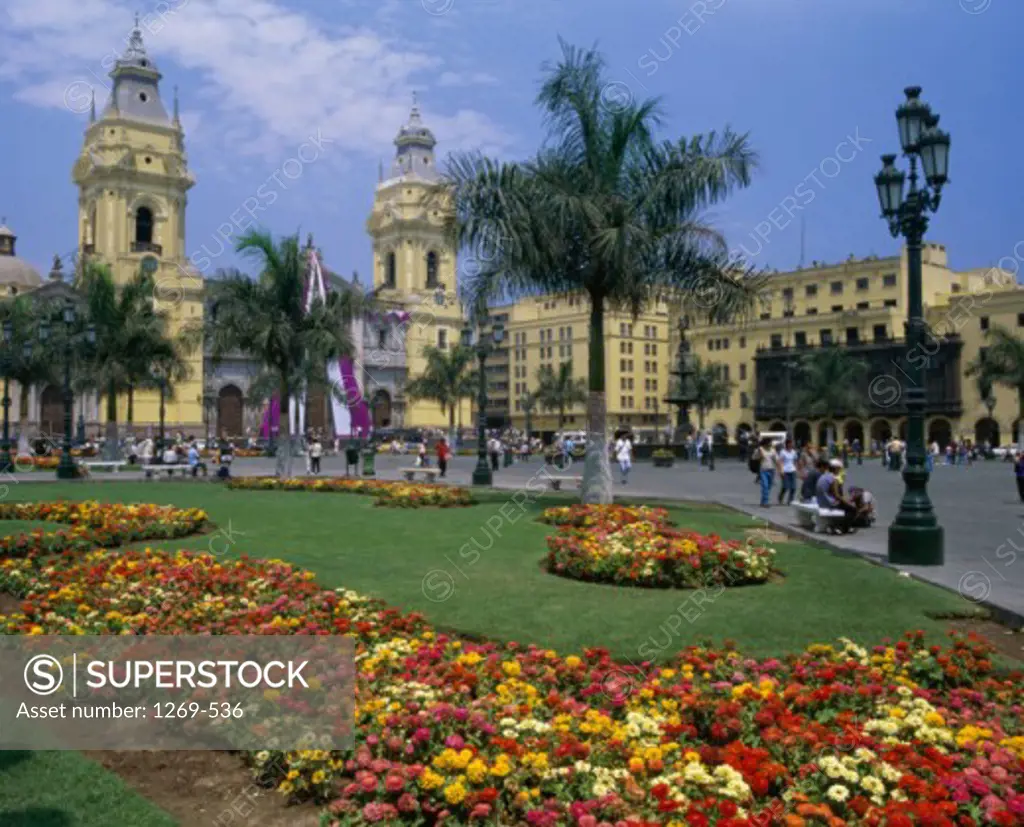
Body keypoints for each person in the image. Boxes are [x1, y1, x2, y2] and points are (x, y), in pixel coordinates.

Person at [815, 459, 857, 533]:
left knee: (845, 506)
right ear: (836, 469)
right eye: (839, 469)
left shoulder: (823, 476)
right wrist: (847, 502)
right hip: (829, 504)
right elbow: (837, 495)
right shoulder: (833, 479)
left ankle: (841, 527)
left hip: (821, 502)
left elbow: (830, 492)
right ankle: (842, 527)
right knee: (852, 509)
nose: (840, 471)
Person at [756, 437, 777, 508]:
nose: (771, 444)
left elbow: (776, 459)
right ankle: (765, 502)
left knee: (769, 487)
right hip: (763, 470)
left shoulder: (773, 450)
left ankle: (762, 501)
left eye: (771, 443)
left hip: (771, 470)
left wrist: (780, 468)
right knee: (765, 486)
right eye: (770, 442)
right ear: (766, 443)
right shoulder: (760, 449)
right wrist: (760, 452)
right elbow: (756, 457)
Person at [777, 438, 798, 505]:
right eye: (790, 443)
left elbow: (795, 461)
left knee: (793, 487)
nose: (791, 445)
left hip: (792, 470)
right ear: (787, 444)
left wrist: (796, 469)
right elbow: (780, 462)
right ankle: (780, 497)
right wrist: (781, 470)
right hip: (785, 471)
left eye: (792, 443)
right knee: (785, 487)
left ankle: (790, 500)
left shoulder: (793, 452)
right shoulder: (782, 452)